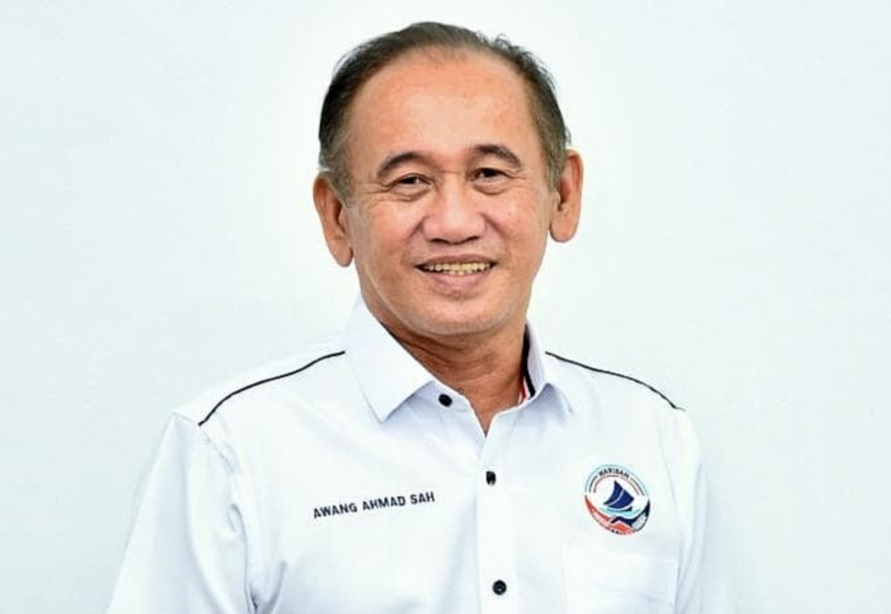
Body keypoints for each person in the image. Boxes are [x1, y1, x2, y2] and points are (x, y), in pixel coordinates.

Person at [107, 21, 712, 614]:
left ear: (563, 194)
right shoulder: (231, 453)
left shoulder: (653, 437)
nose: (454, 223)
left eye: (489, 175)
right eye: (409, 181)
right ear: (337, 216)